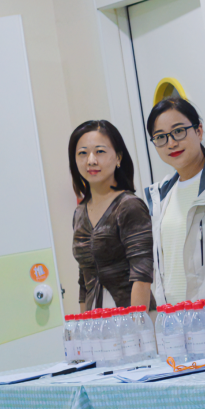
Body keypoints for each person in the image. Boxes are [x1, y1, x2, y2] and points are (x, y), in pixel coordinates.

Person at [144, 96, 205, 304]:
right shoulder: (161, 195)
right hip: (172, 316)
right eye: (160, 137)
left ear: (198, 131)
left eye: (178, 131)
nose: (171, 143)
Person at [69, 120, 153, 311]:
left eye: (100, 151)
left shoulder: (129, 205)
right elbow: (84, 280)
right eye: (82, 153)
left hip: (132, 317)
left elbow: (142, 276)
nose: (91, 160)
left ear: (118, 158)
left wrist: (136, 324)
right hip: (97, 320)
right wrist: (85, 323)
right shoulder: (79, 212)